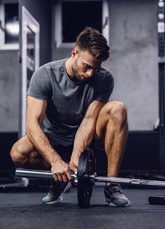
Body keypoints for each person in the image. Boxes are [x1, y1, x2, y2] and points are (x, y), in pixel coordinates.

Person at [10, 27, 130, 207]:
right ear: (74, 53)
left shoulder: (104, 79)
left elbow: (89, 120)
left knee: (118, 108)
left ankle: (112, 184)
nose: (90, 73)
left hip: (88, 136)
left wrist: (76, 159)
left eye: (95, 69)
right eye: (87, 66)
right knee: (18, 153)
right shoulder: (45, 75)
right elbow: (32, 124)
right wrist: (56, 162)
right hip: (54, 137)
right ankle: (60, 180)